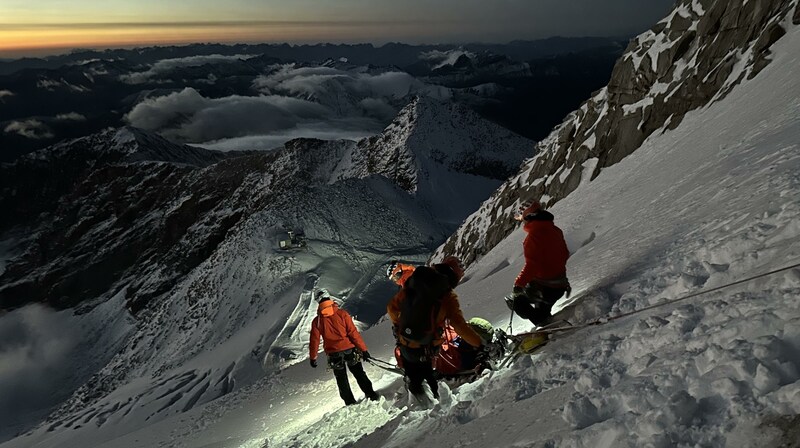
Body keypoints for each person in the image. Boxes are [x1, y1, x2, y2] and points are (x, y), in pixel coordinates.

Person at [387, 256, 484, 402]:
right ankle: (437, 407)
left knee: (415, 379)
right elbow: (459, 326)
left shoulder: (415, 283)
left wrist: (401, 325)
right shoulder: (448, 296)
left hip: (405, 343)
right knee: (430, 377)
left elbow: (391, 308)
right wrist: (479, 344)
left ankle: (419, 401)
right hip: (426, 348)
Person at [309, 289, 380, 405]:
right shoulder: (342, 314)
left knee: (341, 379)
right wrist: (363, 350)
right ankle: (371, 394)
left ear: (317, 301)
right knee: (359, 373)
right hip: (350, 350)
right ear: (329, 297)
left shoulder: (317, 321)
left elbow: (314, 341)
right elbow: (353, 333)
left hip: (334, 354)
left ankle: (350, 402)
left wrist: (313, 357)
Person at [508, 200, 571, 326]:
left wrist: (519, 284)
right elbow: (565, 254)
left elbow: (532, 265)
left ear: (529, 217)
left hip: (545, 287)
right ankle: (544, 316)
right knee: (542, 308)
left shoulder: (533, 237)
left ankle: (544, 323)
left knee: (517, 302)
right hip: (560, 283)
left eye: (523, 219)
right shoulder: (555, 230)